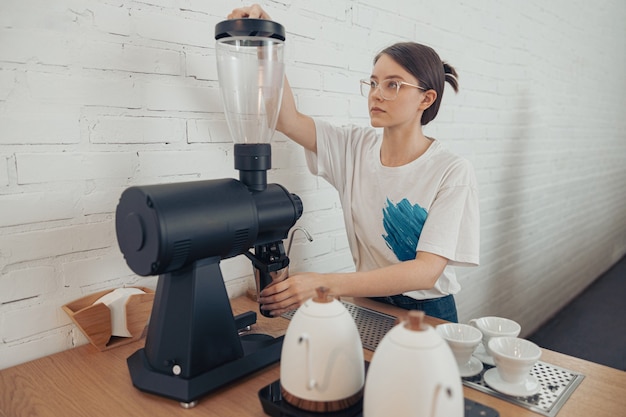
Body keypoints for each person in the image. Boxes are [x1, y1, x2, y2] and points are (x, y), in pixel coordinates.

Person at [228, 5, 479, 322]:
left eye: (393, 85)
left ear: (426, 99)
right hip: (367, 301)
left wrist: (324, 284)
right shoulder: (354, 147)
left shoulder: (452, 171)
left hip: (426, 310)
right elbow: (284, 118)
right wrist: (265, 44)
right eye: (373, 83)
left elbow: (426, 272)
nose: (376, 94)